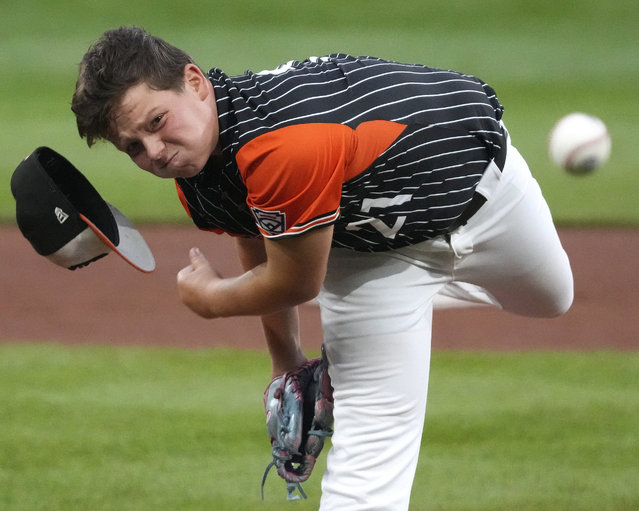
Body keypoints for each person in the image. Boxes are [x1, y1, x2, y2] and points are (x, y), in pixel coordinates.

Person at [71, 26, 574, 510]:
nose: (155, 153)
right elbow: (255, 232)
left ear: (196, 83)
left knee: (553, 299)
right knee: (369, 465)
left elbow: (294, 280)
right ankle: (387, 317)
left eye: (157, 122)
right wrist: (286, 356)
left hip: (489, 192)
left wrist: (212, 300)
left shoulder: (283, 143)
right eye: (133, 146)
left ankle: (407, 307)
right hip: (370, 257)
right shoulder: (197, 171)